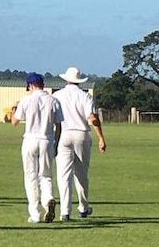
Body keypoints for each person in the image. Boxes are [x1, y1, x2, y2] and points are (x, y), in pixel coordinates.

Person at [52, 66, 107, 221]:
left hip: (63, 134)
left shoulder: (57, 95)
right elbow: (93, 118)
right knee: (81, 174)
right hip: (82, 134)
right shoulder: (85, 96)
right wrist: (101, 137)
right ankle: (83, 207)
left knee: (63, 175)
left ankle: (64, 211)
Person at [11, 73, 64, 224]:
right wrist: (56, 143)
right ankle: (48, 199)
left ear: (31, 85)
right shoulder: (53, 101)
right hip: (47, 140)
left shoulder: (26, 100)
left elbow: (14, 121)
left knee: (30, 177)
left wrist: (14, 108)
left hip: (30, 140)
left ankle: (35, 214)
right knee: (45, 175)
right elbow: (59, 125)